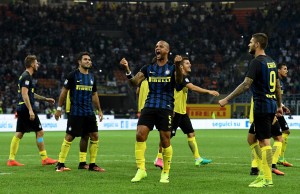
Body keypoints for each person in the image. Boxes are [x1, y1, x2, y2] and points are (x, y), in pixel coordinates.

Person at [219, 33, 283, 188]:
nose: (248, 44)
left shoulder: (256, 62)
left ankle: (266, 178)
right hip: (271, 105)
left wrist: (227, 98)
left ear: (257, 45)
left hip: (261, 106)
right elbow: (278, 87)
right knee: (253, 139)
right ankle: (264, 175)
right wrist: (279, 105)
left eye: (250, 42)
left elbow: (246, 84)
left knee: (264, 142)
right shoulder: (272, 62)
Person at [119, 40, 183, 183]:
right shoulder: (148, 68)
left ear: (167, 50)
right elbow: (134, 82)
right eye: (156, 47)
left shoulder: (173, 68)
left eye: (160, 46)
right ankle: (141, 170)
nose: (157, 48)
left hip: (165, 107)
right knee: (140, 134)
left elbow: (179, 82)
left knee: (165, 139)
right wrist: (127, 70)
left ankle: (165, 173)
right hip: (149, 106)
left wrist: (178, 65)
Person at [150, 56, 219, 168]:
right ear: (181, 66)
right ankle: (158, 158)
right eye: (187, 63)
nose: (190, 65)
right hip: (174, 112)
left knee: (191, 133)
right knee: (166, 136)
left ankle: (198, 159)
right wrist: (208, 91)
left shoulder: (182, 77)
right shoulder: (179, 77)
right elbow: (193, 88)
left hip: (182, 112)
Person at [54, 51, 105, 172]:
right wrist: (59, 108)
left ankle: (90, 164)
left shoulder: (92, 77)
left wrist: (99, 110)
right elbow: (64, 92)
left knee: (93, 135)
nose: (88, 61)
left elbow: (94, 94)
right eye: (85, 59)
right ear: (79, 61)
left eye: (89, 60)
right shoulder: (73, 75)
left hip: (89, 112)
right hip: (76, 112)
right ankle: (60, 164)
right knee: (70, 136)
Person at [7, 55, 58, 166]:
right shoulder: (26, 76)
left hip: (22, 107)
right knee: (39, 132)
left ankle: (11, 159)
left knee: (19, 133)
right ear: (31, 64)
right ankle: (44, 158)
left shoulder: (26, 76)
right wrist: (30, 110)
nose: (38, 64)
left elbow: (30, 94)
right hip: (26, 108)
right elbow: (25, 95)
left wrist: (45, 99)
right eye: (36, 62)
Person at [248, 98, 285, 176]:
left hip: (262, 115)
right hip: (265, 115)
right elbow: (270, 96)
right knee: (260, 141)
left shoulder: (257, 89)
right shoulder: (264, 88)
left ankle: (256, 167)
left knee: (254, 141)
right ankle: (268, 166)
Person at [276, 63, 293, 167]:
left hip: (277, 109)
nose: (287, 71)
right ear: (279, 70)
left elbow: (277, 96)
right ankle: (276, 159)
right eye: (284, 69)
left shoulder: (281, 82)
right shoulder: (274, 80)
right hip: (273, 110)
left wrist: (282, 106)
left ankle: (280, 158)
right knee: (274, 136)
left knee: (285, 131)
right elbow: (272, 95)